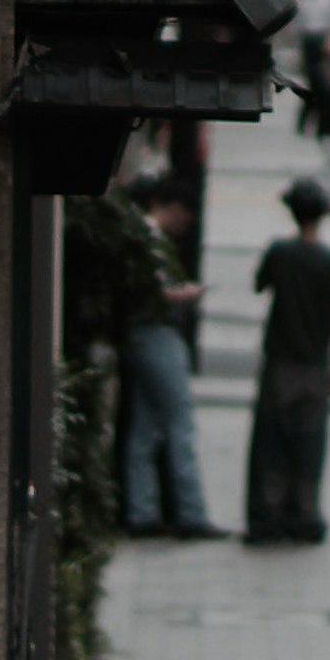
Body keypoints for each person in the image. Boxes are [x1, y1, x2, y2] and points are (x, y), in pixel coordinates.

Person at [241, 181, 330, 547]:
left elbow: (259, 286)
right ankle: (304, 515)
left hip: (280, 363)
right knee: (308, 446)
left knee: (271, 443)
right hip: (314, 365)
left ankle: (267, 516)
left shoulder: (280, 254)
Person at [118, 169, 211, 540]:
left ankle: (142, 512)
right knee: (178, 423)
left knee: (143, 428)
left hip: (136, 335)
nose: (185, 223)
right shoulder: (150, 238)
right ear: (166, 206)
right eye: (182, 213)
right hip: (158, 333)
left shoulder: (136, 234)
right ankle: (191, 513)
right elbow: (156, 292)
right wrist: (187, 294)